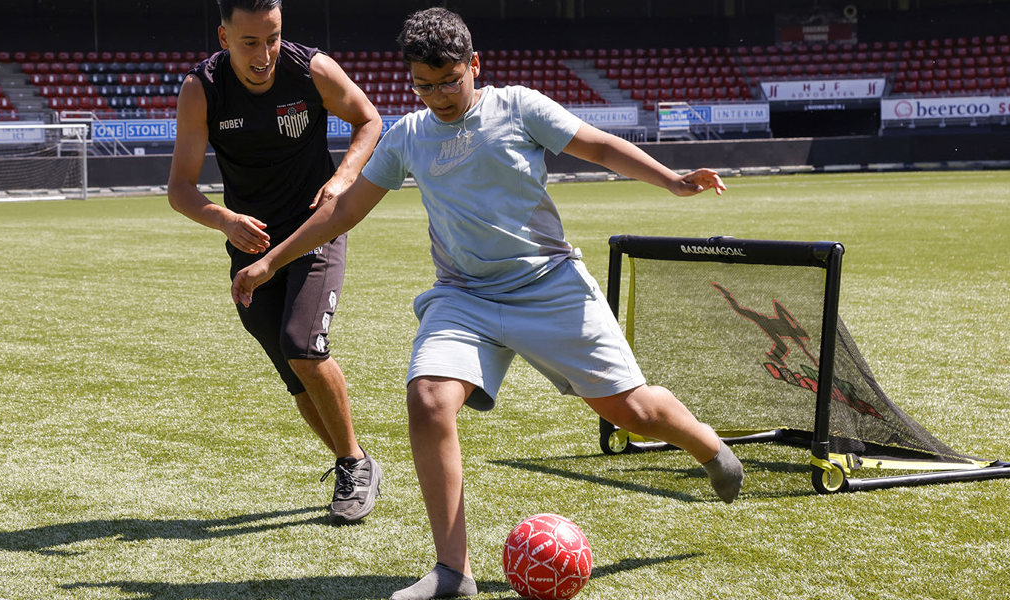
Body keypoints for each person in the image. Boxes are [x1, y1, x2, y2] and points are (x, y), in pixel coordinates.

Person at [231, 7, 743, 598]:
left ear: (474, 65)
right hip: (463, 296)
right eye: (424, 85)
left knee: (630, 413)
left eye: (450, 81)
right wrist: (271, 261)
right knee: (427, 398)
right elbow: (343, 212)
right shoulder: (407, 137)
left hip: (549, 285)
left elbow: (598, 147)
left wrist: (673, 180)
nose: (439, 96)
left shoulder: (518, 106)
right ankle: (453, 572)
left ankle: (706, 444)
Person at [167, 0, 383, 524]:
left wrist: (343, 177)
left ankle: (355, 464)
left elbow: (369, 121)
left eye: (273, 38)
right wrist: (224, 220)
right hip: (249, 246)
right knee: (295, 374)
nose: (265, 55)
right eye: (250, 42)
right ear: (223, 36)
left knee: (302, 345)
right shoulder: (202, 89)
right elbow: (180, 188)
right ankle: (352, 461)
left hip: (316, 230)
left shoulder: (312, 69)